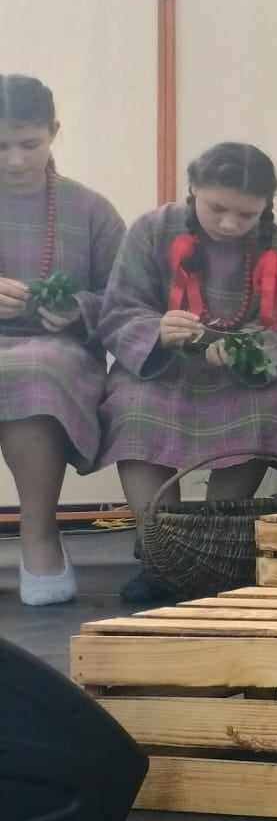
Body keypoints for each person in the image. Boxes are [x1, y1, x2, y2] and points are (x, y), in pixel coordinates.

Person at [99, 142, 277, 602]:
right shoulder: (152, 230)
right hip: (161, 369)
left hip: (238, 378)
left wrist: (246, 350)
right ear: (193, 188)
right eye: (217, 208)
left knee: (262, 409)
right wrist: (157, 330)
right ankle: (160, 551)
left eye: (246, 214)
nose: (230, 223)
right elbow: (119, 309)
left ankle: (215, 547)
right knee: (132, 408)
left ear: (266, 206)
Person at [0, 76, 125, 606]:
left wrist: (78, 309)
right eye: (1, 145)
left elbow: (128, 299)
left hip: (61, 352)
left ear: (54, 131)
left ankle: (39, 533)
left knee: (34, 368)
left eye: (29, 143)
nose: (14, 160)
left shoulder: (91, 209)